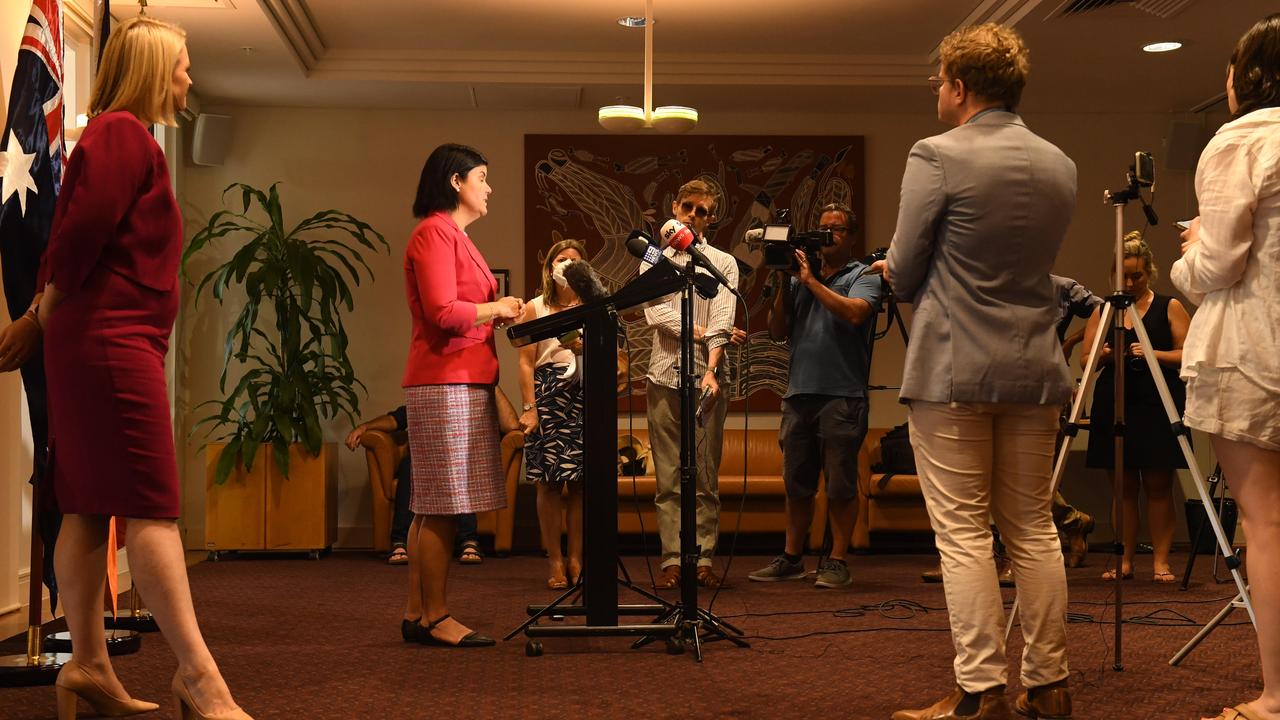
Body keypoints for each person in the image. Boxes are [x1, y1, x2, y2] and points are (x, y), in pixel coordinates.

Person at [31, 17, 250, 720]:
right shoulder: (124, 133)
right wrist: (38, 317)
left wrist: (40, 320)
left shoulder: (114, 133)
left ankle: (88, 666)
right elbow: (81, 239)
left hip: (99, 341)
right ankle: (199, 677)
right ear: (157, 66)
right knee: (152, 505)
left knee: (90, 502)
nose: (188, 76)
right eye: (183, 63)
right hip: (108, 343)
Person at [876, 23, 1077, 720]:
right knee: (1032, 526)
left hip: (955, 367)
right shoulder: (1060, 163)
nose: (937, 90)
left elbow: (901, 274)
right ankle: (1049, 685)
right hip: (1036, 366)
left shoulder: (935, 154)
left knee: (962, 533)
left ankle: (981, 690)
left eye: (939, 80)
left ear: (959, 87)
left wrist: (899, 269)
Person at [1171, 15, 1280, 720]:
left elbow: (1218, 265)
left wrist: (1189, 247)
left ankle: (1276, 696)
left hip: (1254, 348)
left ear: (1246, 76)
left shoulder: (1239, 140)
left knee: (1266, 522)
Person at [400, 143, 524, 648]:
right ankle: (435, 616)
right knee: (442, 505)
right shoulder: (434, 231)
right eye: (482, 177)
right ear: (456, 181)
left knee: (433, 505)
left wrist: (500, 309)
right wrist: (496, 308)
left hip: (461, 377)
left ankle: (418, 613)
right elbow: (443, 313)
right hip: (445, 377)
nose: (489, 187)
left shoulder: (454, 234)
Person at [747, 203, 880, 589]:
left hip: (842, 394)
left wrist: (810, 282)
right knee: (797, 483)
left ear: (852, 236)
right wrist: (783, 283)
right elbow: (776, 331)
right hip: (798, 393)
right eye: (823, 229)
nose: (828, 236)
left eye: (837, 230)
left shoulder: (864, 275)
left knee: (840, 484)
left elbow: (855, 314)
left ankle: (837, 559)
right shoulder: (799, 279)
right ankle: (792, 556)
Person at [641, 178, 741, 590]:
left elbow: (724, 319)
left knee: (704, 476)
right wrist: (701, 333)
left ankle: (701, 557)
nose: (694, 216)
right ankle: (671, 558)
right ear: (675, 207)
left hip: (709, 378)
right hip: (664, 375)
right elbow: (656, 315)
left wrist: (712, 368)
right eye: (688, 207)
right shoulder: (653, 258)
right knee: (668, 476)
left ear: (711, 218)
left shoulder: (723, 262)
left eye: (703, 211)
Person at [1080, 235, 1190, 584]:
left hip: (1158, 401)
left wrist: (1152, 354)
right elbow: (1085, 360)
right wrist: (1107, 354)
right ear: (1114, 274)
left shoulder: (1169, 306)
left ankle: (1161, 561)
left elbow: (1188, 355)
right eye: (1123, 276)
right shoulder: (1104, 309)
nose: (1129, 283)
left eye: (1137, 276)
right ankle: (1123, 559)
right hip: (1116, 402)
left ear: (1149, 273)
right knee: (1123, 488)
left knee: (1158, 485)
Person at [515, 238, 588, 590]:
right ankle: (555, 561)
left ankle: (577, 558)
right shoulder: (535, 307)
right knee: (548, 482)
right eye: (561, 260)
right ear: (549, 267)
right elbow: (526, 362)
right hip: (547, 395)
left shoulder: (593, 305)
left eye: (574, 261)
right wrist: (530, 409)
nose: (567, 266)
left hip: (584, 396)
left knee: (578, 485)